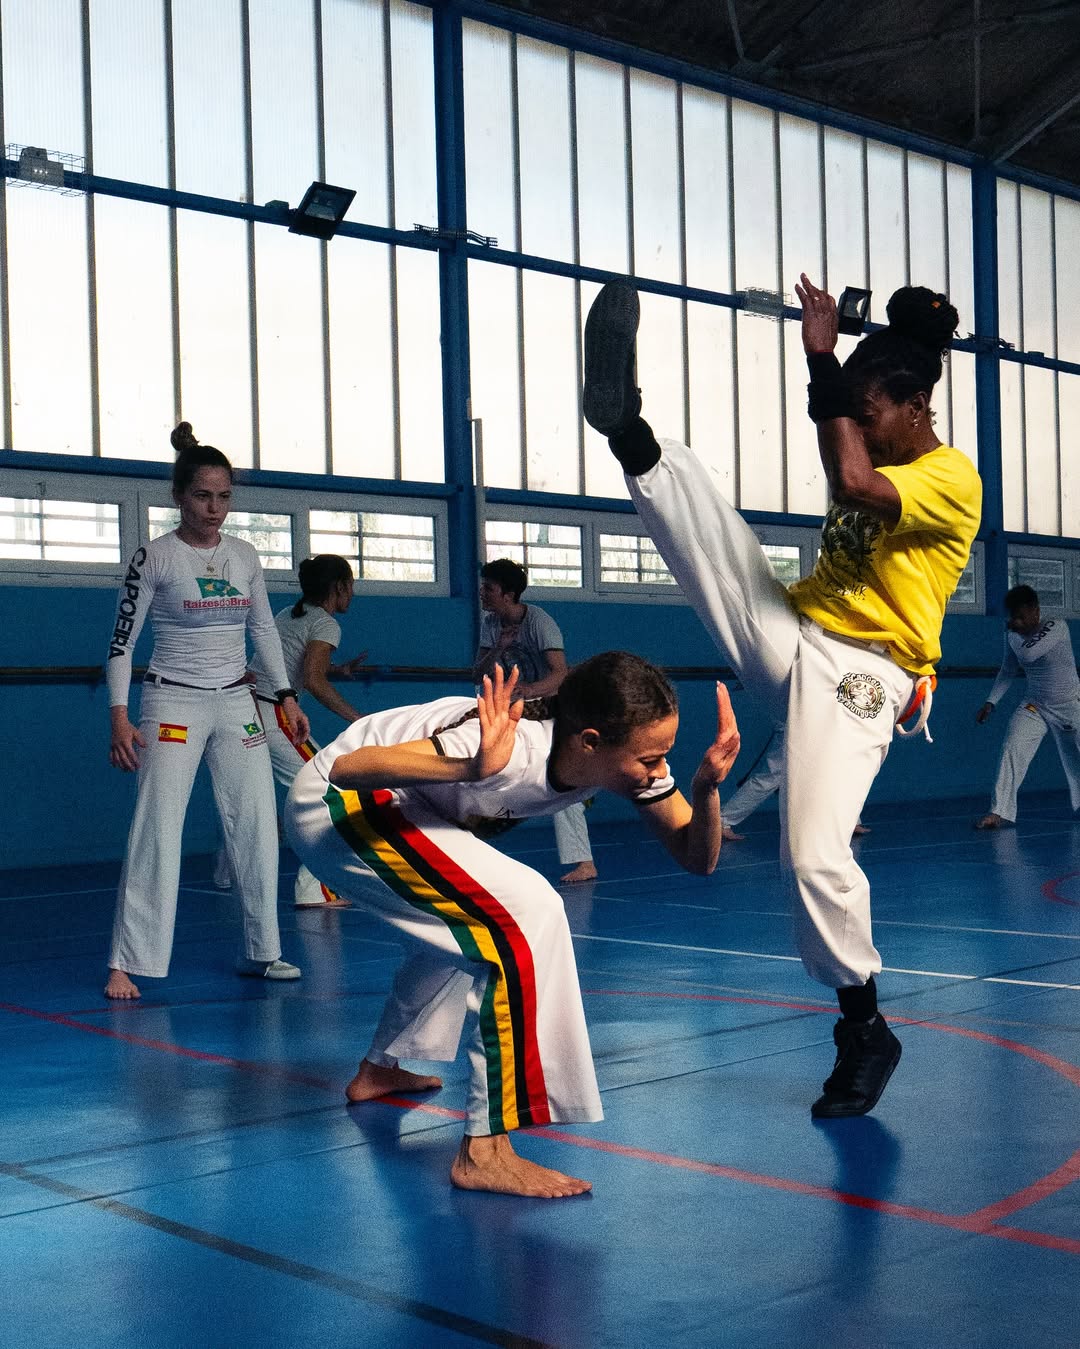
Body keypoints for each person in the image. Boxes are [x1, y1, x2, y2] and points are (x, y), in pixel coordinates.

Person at [582, 274, 981, 1118]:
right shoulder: (875, 429)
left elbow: (851, 484)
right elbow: (846, 456)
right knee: (720, 552)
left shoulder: (952, 477)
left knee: (813, 855)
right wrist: (832, 374)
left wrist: (822, 359)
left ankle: (865, 1027)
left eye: (871, 417)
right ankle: (634, 436)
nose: (860, 432)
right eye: (856, 417)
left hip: (866, 676)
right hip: (798, 634)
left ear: (914, 408)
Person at [284, 653, 740, 1197]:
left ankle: (380, 1069)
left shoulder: (627, 764)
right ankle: (485, 1148)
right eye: (649, 758)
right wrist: (472, 768)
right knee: (526, 913)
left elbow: (698, 857)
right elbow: (348, 768)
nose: (659, 770)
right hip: (339, 804)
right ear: (589, 741)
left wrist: (707, 788)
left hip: (404, 807)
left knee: (465, 928)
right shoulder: (511, 743)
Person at [104, 422, 310, 999]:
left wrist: (286, 696)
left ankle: (263, 951)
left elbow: (263, 629)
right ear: (178, 496)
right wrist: (120, 717)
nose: (214, 508)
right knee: (158, 830)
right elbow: (122, 644)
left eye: (224, 497)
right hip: (172, 701)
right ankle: (127, 961)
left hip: (237, 703)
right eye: (202, 496)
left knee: (256, 826)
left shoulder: (244, 556)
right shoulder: (156, 558)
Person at [215, 553, 368, 906]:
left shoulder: (290, 613)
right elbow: (312, 680)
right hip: (272, 712)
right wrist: (358, 718)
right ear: (339, 587)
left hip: (242, 708)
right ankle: (315, 888)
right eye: (351, 586)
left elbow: (295, 665)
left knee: (244, 793)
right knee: (329, 788)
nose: (352, 594)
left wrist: (338, 669)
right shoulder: (326, 624)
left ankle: (226, 872)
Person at [471, 557, 598, 884]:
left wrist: (528, 690)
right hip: (512, 708)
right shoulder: (491, 624)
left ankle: (583, 860)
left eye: (489, 588)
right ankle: (468, 850)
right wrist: (498, 648)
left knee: (557, 775)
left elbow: (560, 674)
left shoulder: (539, 622)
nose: (483, 593)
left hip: (548, 705)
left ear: (508, 594)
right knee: (485, 770)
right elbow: (476, 672)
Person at [974, 585, 1080, 829]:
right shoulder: (1013, 633)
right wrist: (991, 702)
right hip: (1035, 705)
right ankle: (998, 811)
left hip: (1070, 705)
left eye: (1022, 617)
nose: (1017, 622)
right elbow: (1008, 670)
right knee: (1012, 746)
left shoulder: (1057, 626)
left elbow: (1029, 656)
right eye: (1014, 617)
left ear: (1036, 610)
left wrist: (1013, 633)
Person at [720, 722, 869, 841]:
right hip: (795, 721)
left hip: (821, 720)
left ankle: (849, 821)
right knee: (771, 776)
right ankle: (722, 820)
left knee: (834, 768)